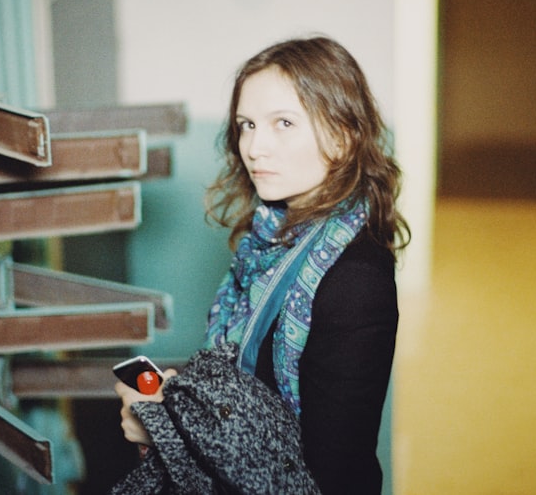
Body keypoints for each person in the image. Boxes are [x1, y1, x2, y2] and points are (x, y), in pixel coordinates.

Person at [115, 36, 409, 494]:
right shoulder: (270, 242)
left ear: (343, 135)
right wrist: (183, 406)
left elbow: (326, 475)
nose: (254, 147)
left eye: (283, 123)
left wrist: (166, 430)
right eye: (247, 125)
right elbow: (251, 393)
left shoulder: (355, 281)